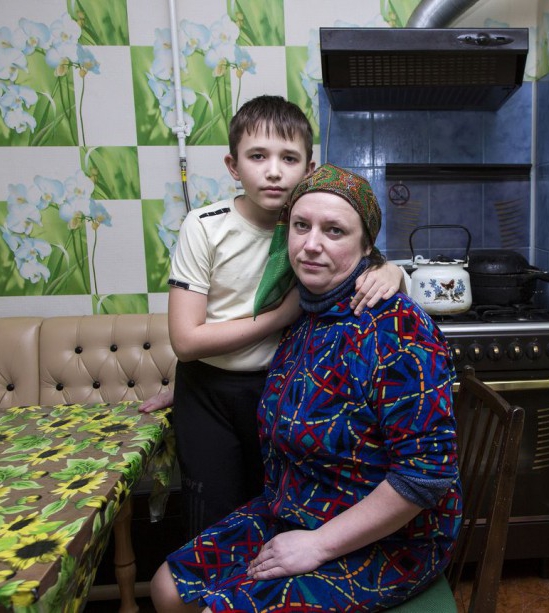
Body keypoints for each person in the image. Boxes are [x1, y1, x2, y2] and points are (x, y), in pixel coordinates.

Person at [149, 164, 462, 612]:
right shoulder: (304, 317)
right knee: (165, 587)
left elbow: (425, 475)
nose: (311, 244)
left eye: (334, 230)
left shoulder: (397, 330)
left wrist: (317, 546)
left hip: (391, 539)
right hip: (294, 510)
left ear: (366, 245)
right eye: (301, 226)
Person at [140, 96, 405, 540]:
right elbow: (186, 342)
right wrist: (282, 316)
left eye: (289, 158)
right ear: (233, 164)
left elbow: (363, 259)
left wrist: (392, 270)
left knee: (277, 510)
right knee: (214, 519)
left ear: (309, 166)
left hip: (281, 388)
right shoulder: (204, 226)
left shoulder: (309, 226)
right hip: (206, 393)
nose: (274, 171)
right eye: (258, 156)